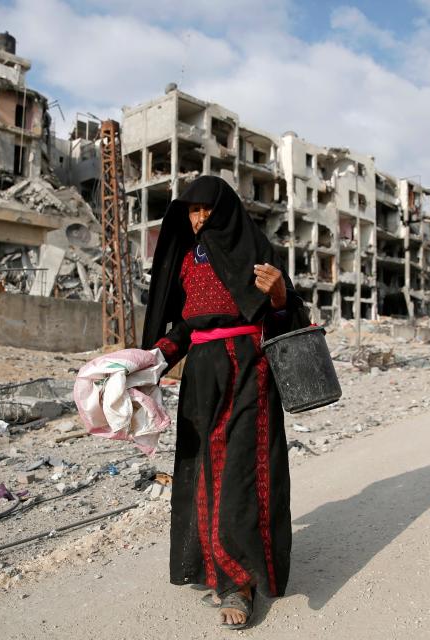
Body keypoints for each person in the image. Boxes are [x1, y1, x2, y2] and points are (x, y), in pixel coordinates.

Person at [141, 175, 310, 629]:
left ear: (226, 211)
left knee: (239, 470)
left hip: (250, 367)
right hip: (202, 374)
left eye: (206, 211)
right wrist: (154, 357)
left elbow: (291, 315)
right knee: (204, 471)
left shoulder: (257, 253)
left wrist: (277, 294)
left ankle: (238, 582)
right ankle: (212, 565)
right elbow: (187, 327)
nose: (198, 219)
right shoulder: (186, 262)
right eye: (192, 211)